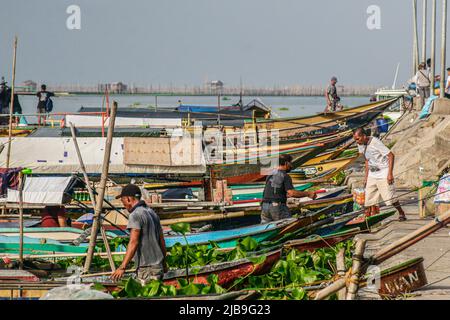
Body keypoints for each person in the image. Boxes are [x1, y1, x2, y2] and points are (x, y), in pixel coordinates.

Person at [111, 184, 167, 284]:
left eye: (122, 200)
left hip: (146, 268)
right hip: (158, 266)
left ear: (128, 199)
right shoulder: (152, 213)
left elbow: (133, 242)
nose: (122, 203)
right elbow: (161, 241)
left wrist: (122, 267)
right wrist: (164, 263)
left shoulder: (135, 215)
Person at [352, 128, 407, 221]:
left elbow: (391, 155)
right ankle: (369, 217)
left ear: (364, 136)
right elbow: (366, 160)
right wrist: (366, 177)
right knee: (368, 198)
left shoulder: (375, 142)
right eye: (355, 139)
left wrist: (390, 174)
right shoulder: (361, 144)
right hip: (372, 173)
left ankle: (401, 213)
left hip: (383, 171)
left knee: (390, 197)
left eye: (357, 139)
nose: (356, 141)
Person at [261, 154, 317, 224]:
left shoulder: (270, 175)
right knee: (287, 226)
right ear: (286, 163)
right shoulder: (285, 176)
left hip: (264, 206)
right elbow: (291, 193)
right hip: (277, 207)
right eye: (290, 163)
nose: (291, 165)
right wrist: (308, 193)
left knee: (266, 228)